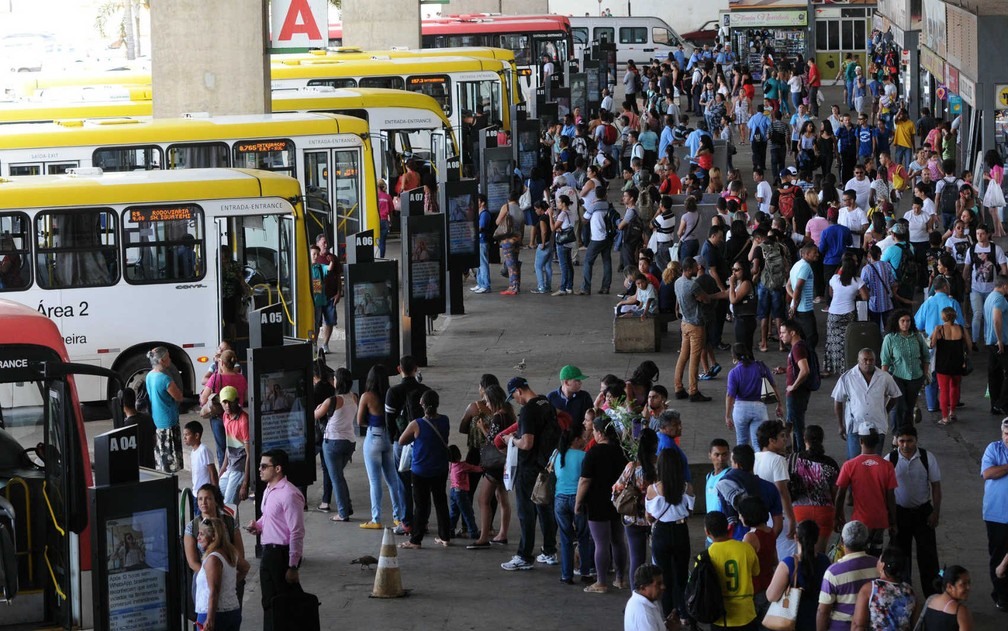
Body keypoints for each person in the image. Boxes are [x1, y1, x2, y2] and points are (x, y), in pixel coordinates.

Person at [501, 377, 560, 571]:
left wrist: (511, 439)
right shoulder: (546, 403)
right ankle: (549, 551)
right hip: (547, 465)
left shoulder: (527, 411)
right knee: (545, 508)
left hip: (529, 468)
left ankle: (524, 555)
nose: (515, 400)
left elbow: (526, 443)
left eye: (514, 396)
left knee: (526, 512)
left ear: (519, 390)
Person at [245, 449, 305, 631]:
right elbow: (270, 516)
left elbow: (296, 531)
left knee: (283, 603)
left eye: (264, 466)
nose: (260, 470)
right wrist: (259, 526)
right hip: (269, 552)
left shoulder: (289, 494)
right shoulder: (270, 489)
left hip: (281, 554)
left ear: (278, 468)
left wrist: (293, 566)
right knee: (269, 601)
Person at [577, 415, 629, 592]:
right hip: (618, 501)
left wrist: (578, 502)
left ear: (599, 433)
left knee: (601, 543)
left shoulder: (594, 452)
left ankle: (601, 582)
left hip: (597, 502)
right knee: (618, 541)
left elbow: (585, 480)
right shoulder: (621, 451)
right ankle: (620, 579)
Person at [398, 390, 452, 549]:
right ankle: (445, 536)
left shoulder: (416, 424)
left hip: (420, 470)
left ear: (422, 405)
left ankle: (416, 540)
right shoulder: (445, 420)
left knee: (421, 506)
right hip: (440, 468)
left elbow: (402, 441)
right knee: (441, 502)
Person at [647, 447, 694, 625]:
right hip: (681, 531)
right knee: (681, 575)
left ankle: (668, 617)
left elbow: (649, 516)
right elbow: (689, 512)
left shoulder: (653, 490)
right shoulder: (686, 487)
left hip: (661, 533)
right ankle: (683, 613)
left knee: (664, 578)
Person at [836, 426, 897, 557]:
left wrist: (837, 516)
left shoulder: (850, 465)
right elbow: (890, 497)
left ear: (860, 441)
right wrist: (893, 521)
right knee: (875, 555)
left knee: (858, 556)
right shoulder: (887, 466)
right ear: (877, 442)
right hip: (880, 520)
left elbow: (840, 494)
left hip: (860, 521)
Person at [184, 484, 249, 607]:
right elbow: (192, 562)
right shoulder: (192, 527)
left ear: (216, 501)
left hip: (230, 577)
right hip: (204, 580)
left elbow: (240, 554)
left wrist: (229, 578)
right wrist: (210, 576)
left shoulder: (229, 522)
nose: (203, 502)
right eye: (200, 498)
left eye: (208, 498)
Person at [385, 357, 430, 534]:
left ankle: (407, 522)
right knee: (422, 483)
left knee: (403, 483)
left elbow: (389, 420)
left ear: (399, 369)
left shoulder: (393, 392)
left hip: (401, 442)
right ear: (416, 368)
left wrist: (393, 438)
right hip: (422, 442)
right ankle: (423, 521)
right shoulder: (425, 391)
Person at [357, 365, 405, 530]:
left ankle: (376, 518)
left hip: (373, 436)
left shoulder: (367, 396)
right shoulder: (392, 393)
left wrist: (370, 424)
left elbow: (359, 421)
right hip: (389, 438)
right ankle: (398, 517)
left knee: (375, 481)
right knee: (393, 480)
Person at [467, 384, 514, 549]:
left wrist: (482, 428)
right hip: (505, 462)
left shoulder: (497, 417)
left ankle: (483, 537)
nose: (486, 405)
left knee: (483, 500)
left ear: (494, 400)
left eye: (487, 401)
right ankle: (502, 534)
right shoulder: (510, 413)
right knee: (502, 499)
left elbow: (493, 440)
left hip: (494, 465)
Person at [832, 348, 902, 459]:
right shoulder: (847, 377)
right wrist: (841, 425)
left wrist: (885, 411)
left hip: (878, 426)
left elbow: (895, 395)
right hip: (855, 426)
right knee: (854, 461)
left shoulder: (884, 377)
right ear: (858, 360)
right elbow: (838, 400)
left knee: (874, 461)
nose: (868, 363)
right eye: (865, 360)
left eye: (871, 360)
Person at [613, 428, 659, 589]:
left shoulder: (632, 467)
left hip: (633, 519)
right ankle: (656, 591)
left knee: (636, 560)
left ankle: (636, 596)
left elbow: (616, 490)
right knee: (657, 559)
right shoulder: (660, 467)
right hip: (656, 519)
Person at [766, 519, 831, 630]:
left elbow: (771, 596)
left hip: (793, 622)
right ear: (816, 538)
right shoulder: (825, 561)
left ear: (796, 537)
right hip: (819, 621)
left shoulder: (788, 563)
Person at [817, 520, 880, 631]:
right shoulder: (878, 565)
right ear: (866, 541)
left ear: (842, 541)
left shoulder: (833, 572)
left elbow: (823, 611)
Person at [313, 367, 357, 523]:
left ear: (338, 382)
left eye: (335, 378)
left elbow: (315, 415)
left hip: (332, 442)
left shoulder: (332, 400)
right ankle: (347, 506)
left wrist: (319, 408)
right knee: (339, 476)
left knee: (336, 478)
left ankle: (343, 512)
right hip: (350, 442)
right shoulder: (354, 397)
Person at [788, 426, 840, 553]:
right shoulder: (831, 464)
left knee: (802, 553)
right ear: (822, 440)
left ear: (804, 439)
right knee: (820, 555)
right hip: (825, 511)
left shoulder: (793, 460)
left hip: (799, 511)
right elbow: (835, 494)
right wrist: (837, 515)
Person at [553, 426, 594, 584]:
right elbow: (586, 478)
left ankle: (566, 575)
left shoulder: (557, 454)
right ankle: (585, 572)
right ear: (576, 440)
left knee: (565, 538)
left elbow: (555, 473)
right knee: (583, 537)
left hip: (560, 499)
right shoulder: (584, 456)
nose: (585, 440)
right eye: (582, 437)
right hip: (579, 499)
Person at [706, 510, 759, 630]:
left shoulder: (705, 556)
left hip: (720, 617)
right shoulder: (746, 548)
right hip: (746, 615)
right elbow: (756, 572)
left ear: (707, 532)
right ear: (728, 527)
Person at [754, 420, 797, 560]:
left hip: (759, 515)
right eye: (782, 436)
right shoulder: (778, 460)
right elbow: (782, 491)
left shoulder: (754, 457)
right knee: (788, 556)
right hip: (778, 516)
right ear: (771, 440)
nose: (785, 439)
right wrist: (791, 518)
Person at [725, 343, 782, 447]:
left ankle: (742, 463)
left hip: (740, 410)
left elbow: (730, 395)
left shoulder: (734, 373)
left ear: (734, 356)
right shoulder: (761, 367)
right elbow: (774, 385)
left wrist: (727, 416)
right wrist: (779, 404)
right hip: (759, 409)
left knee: (742, 443)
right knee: (759, 444)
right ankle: (759, 463)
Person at [851, 546, 920, 631]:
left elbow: (858, 626)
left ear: (882, 565)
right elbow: (916, 626)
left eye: (879, 559)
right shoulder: (910, 592)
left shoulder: (870, 589)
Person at [674, 256, 712, 402]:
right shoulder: (693, 285)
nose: (698, 269)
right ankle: (693, 391)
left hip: (684, 323)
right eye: (696, 267)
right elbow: (705, 299)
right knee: (695, 359)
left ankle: (678, 387)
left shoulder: (677, 282)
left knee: (683, 356)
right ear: (689, 269)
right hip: (696, 324)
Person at [195, 517, 242, 631]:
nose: (198, 538)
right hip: (232, 610)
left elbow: (214, 591)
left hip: (214, 613)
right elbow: (245, 567)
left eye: (201, 534)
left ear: (213, 537)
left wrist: (210, 619)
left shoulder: (213, 559)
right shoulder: (229, 554)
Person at [824, 256, 867, 376]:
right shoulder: (858, 281)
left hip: (833, 313)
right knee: (847, 340)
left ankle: (830, 367)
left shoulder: (834, 278)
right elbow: (865, 297)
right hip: (849, 313)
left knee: (832, 340)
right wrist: (855, 294)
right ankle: (846, 366)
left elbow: (831, 294)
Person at [982, 418, 1008, 610]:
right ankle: (1001, 595)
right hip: (996, 514)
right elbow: (988, 473)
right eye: (1006, 433)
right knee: (998, 556)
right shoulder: (993, 449)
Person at [930, 306, 971, 425]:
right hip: (957, 363)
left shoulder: (940, 329)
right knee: (955, 388)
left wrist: (935, 332)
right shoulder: (962, 329)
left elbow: (932, 344)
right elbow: (969, 345)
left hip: (943, 364)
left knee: (943, 390)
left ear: (943, 316)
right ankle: (952, 412)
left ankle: (944, 417)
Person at [145, 346, 184, 473]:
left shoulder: (149, 376)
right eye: (168, 357)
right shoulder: (165, 379)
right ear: (162, 361)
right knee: (171, 461)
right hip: (169, 422)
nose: (170, 359)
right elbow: (179, 397)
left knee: (161, 458)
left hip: (157, 420)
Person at [780, 319, 814, 451]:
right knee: (794, 424)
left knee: (796, 427)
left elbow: (805, 370)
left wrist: (793, 386)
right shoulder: (801, 346)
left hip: (796, 394)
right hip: (800, 393)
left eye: (783, 332)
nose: (781, 335)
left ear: (793, 332)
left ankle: (799, 455)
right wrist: (786, 369)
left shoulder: (797, 348)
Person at [217, 386, 250, 507]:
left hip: (240, 468)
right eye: (224, 402)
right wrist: (221, 471)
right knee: (218, 500)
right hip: (230, 466)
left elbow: (249, 454)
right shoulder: (226, 417)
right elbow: (228, 446)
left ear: (237, 400)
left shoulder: (243, 420)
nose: (227, 406)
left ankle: (232, 526)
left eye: (230, 402)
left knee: (229, 506)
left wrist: (245, 483)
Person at [920, 564, 975, 629]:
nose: (968, 587)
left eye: (969, 583)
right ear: (949, 587)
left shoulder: (931, 600)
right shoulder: (961, 611)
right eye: (963, 584)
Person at [624, 563, 667, 631]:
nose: (663, 587)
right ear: (643, 587)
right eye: (658, 584)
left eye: (662, 583)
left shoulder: (641, 600)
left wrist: (667, 626)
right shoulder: (644, 615)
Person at [120, 386, 155, 469]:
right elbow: (154, 441)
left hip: (134, 469)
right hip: (150, 467)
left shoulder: (125, 426)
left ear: (122, 404)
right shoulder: (148, 418)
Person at [184, 420, 218, 495]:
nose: (184, 438)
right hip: (196, 492)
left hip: (205, 493)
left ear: (196, 436)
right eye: (184, 435)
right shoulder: (193, 452)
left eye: (187, 435)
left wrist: (215, 493)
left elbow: (213, 472)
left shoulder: (204, 450)